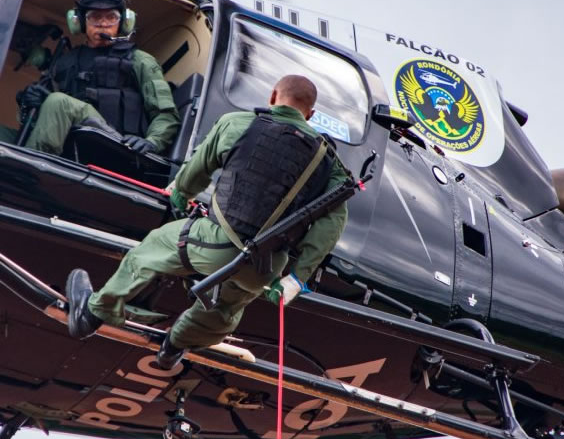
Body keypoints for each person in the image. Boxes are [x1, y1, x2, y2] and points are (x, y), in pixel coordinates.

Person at [65, 75, 350, 369]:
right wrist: (296, 279)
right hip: (264, 269)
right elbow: (332, 224)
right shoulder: (328, 161)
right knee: (227, 307)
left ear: (273, 95)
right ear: (311, 115)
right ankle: (174, 347)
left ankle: (95, 313)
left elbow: (197, 170)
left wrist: (180, 195)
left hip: (216, 242)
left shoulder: (239, 123)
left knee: (154, 247)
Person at [0, 0, 180, 155]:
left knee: (59, 101)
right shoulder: (64, 62)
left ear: (124, 23)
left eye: (111, 17)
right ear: (81, 22)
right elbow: (43, 121)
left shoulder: (139, 60)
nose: (103, 24)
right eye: (95, 17)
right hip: (66, 142)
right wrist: (29, 103)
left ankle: (29, 170)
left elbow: (166, 114)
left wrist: (152, 142)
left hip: (113, 144)